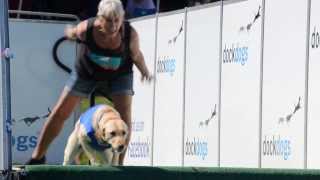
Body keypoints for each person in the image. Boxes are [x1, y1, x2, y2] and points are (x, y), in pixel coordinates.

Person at [26, 0, 152, 165]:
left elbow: (137, 56)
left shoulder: (130, 35)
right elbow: (72, 33)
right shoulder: (86, 29)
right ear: (99, 18)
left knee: (124, 115)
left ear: (122, 18)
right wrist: (70, 33)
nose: (113, 25)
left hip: (120, 73)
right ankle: (38, 156)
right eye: (108, 20)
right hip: (87, 71)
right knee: (60, 112)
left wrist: (144, 71)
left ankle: (119, 163)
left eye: (117, 20)